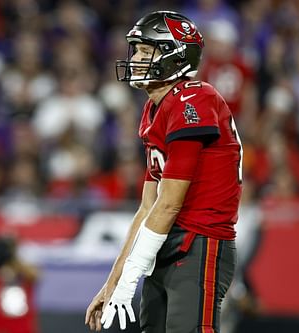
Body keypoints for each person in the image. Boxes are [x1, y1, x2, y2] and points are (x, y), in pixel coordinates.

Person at [85, 10, 242, 333]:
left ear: (174, 56)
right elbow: (147, 208)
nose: (136, 59)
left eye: (145, 51)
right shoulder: (155, 107)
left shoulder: (194, 99)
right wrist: (113, 282)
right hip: (166, 244)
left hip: (199, 241)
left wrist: (130, 280)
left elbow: (169, 203)